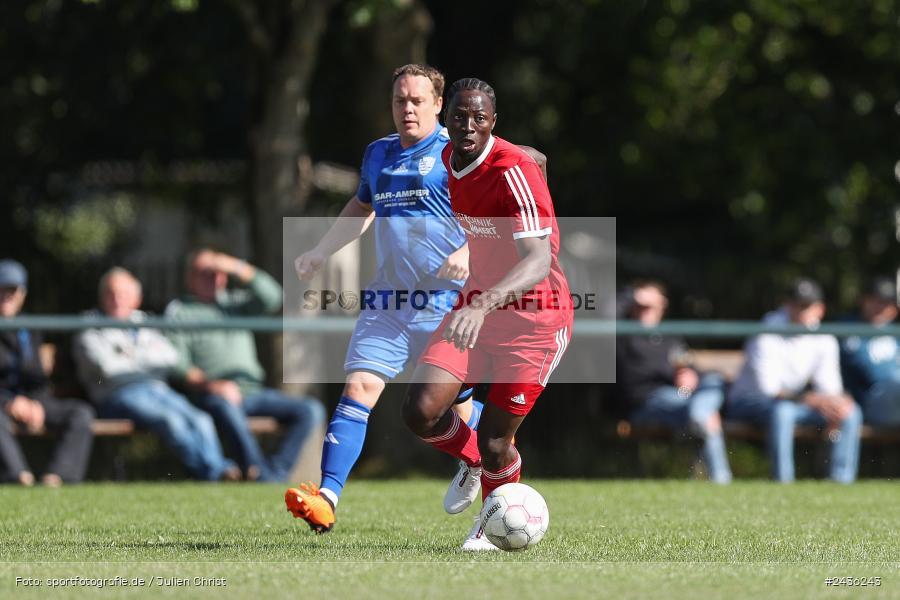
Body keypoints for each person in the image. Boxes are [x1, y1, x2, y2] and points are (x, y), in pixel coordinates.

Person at [285, 65, 546, 533]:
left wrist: (468, 250)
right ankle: (326, 498)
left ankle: (482, 465)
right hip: (387, 302)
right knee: (358, 389)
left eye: (417, 101)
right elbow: (361, 207)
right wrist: (321, 251)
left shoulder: (458, 151)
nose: (406, 108)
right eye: (399, 100)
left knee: (453, 408)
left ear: (437, 107)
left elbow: (504, 196)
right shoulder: (378, 155)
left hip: (448, 301)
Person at [402, 77, 573, 551]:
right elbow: (536, 156)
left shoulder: (511, 168)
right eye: (459, 116)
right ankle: (472, 461)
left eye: (480, 118)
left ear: (494, 122)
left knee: (499, 442)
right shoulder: (447, 158)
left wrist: (480, 302)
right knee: (420, 412)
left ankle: (489, 532)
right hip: (477, 310)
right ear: (446, 119)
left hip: (535, 323)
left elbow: (537, 262)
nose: (469, 126)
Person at [166, 249, 326, 482]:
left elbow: (272, 296)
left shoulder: (234, 305)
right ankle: (258, 471)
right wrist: (213, 386)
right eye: (205, 273)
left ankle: (276, 473)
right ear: (190, 277)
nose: (213, 278)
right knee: (225, 407)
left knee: (311, 409)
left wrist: (234, 266)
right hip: (210, 395)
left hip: (252, 392)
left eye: (217, 273)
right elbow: (176, 363)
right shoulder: (181, 312)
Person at [72, 267, 240, 481]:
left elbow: (169, 358)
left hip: (157, 391)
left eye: (123, 294)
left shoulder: (144, 322)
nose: (116, 300)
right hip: (117, 396)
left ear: (136, 299)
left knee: (201, 419)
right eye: (110, 293)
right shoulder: (89, 325)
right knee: (170, 420)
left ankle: (217, 468)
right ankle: (215, 473)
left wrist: (128, 358)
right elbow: (108, 369)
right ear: (102, 297)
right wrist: (145, 359)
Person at [728, 278, 861, 483]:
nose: (798, 310)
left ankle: (841, 482)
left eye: (805, 305)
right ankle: (783, 482)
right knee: (783, 412)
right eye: (793, 303)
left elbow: (830, 388)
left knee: (850, 412)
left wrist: (836, 403)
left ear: (820, 309)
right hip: (748, 402)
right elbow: (769, 390)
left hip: (792, 402)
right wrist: (815, 400)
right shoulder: (767, 330)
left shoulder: (823, 338)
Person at [615, 281, 732, 483]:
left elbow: (685, 363)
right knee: (706, 413)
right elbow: (603, 314)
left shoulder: (669, 336)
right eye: (640, 305)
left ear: (663, 306)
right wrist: (632, 295)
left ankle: (699, 412)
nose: (644, 311)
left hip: (681, 396)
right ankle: (721, 480)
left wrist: (690, 376)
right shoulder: (623, 334)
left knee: (713, 380)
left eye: (650, 306)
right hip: (647, 401)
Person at [0, 259, 94, 486]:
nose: (7, 296)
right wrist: (9, 402)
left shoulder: (30, 328)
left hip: (33, 401)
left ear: (22, 294)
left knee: (80, 413)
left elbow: (36, 379)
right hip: (2, 404)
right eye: (1, 289)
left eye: (12, 290)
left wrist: (37, 404)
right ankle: (18, 476)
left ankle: (58, 477)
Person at [840, 276, 900, 428]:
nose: (880, 307)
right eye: (875, 300)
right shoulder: (847, 329)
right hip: (866, 403)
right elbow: (871, 373)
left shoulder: (895, 334)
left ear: (894, 309)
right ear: (863, 300)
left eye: (886, 303)